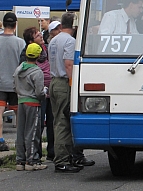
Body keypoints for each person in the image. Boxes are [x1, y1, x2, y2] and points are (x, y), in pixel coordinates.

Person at [48, 12, 95, 173]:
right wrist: (73, 84)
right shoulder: (70, 41)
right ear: (75, 26)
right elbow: (69, 64)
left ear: (61, 25)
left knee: (58, 120)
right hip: (64, 83)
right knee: (64, 122)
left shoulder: (54, 40)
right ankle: (62, 160)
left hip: (54, 81)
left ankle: (68, 156)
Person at [0, 12, 25, 151]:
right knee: (18, 112)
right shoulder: (20, 43)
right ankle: (20, 141)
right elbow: (23, 65)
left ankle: (0, 140)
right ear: (15, 25)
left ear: (3, 24)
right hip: (16, 83)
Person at [20, 27, 54, 161]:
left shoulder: (46, 49)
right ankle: (36, 154)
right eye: (38, 36)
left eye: (41, 35)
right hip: (37, 93)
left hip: (50, 90)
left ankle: (52, 152)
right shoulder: (26, 54)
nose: (41, 37)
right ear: (30, 41)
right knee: (37, 124)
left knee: (52, 122)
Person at [14, 43, 48, 171]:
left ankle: (20, 160)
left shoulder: (19, 69)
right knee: (32, 132)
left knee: (21, 132)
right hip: (33, 103)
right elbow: (39, 92)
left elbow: (14, 85)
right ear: (38, 55)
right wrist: (44, 92)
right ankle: (32, 160)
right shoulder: (37, 71)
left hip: (21, 101)